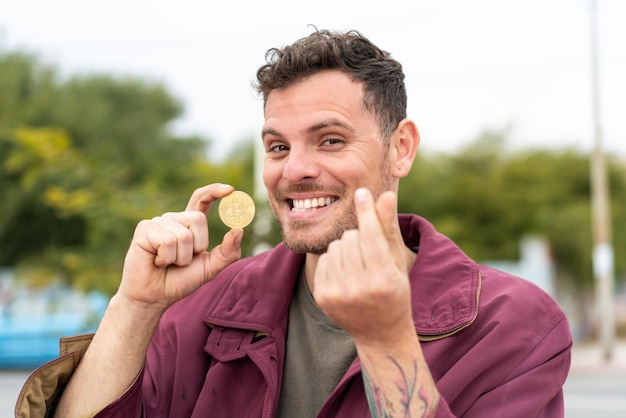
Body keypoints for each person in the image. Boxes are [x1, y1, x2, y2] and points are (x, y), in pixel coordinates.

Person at [15, 29, 572, 418]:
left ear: (400, 148)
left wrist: (385, 341)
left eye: (329, 140)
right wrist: (133, 308)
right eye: (277, 146)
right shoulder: (207, 309)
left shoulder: (513, 326)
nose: (296, 170)